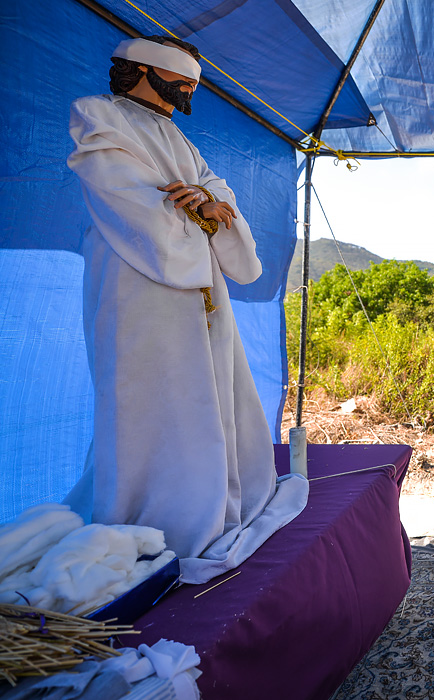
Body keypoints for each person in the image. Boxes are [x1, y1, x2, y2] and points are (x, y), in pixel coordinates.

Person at [64, 36, 307, 584]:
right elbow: (128, 202)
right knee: (146, 395)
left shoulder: (178, 137)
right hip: (135, 283)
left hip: (200, 293)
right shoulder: (97, 114)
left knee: (205, 393)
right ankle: (145, 512)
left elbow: (216, 199)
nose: (192, 88)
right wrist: (199, 214)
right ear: (147, 69)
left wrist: (212, 210)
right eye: (184, 78)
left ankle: (207, 500)